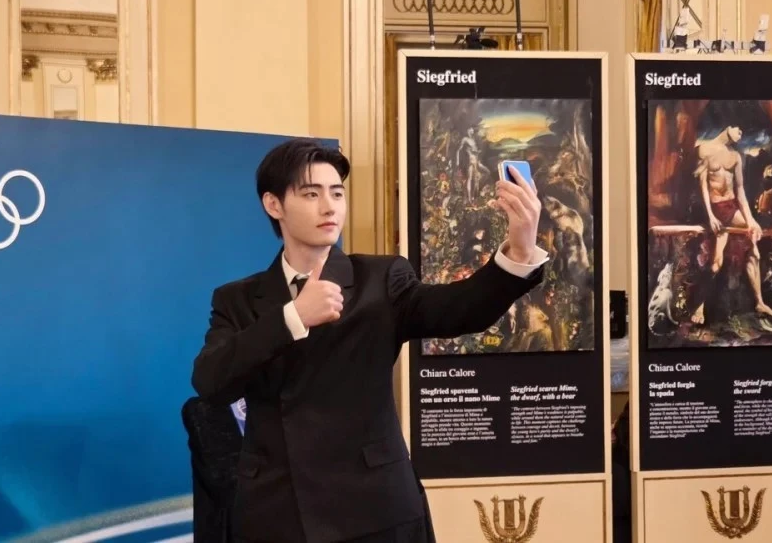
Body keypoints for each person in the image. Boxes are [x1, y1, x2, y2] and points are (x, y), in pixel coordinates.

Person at [191, 138, 548, 543]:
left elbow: (460, 309)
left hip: (374, 508)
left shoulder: (381, 279)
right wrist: (292, 317)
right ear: (274, 205)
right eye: (311, 194)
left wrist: (519, 251)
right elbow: (211, 381)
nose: (329, 207)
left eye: (337, 193)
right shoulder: (237, 299)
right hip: (277, 513)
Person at [690, 125, 772, 325]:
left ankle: (759, 302)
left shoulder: (736, 157)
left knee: (754, 251)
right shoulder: (705, 150)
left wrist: (751, 221)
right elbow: (703, 186)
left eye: (742, 130)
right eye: (738, 128)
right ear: (727, 126)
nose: (740, 133)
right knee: (716, 263)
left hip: (731, 208)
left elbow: (740, 191)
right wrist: (710, 216)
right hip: (715, 209)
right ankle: (699, 306)